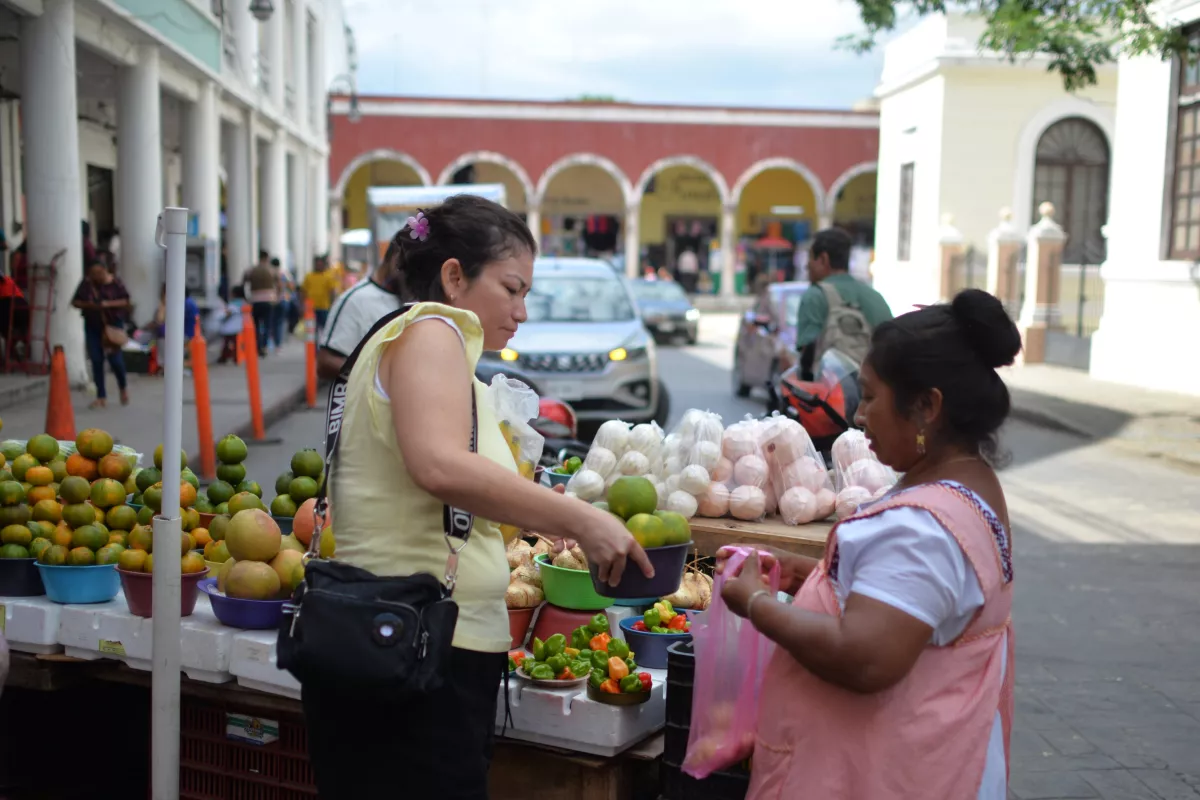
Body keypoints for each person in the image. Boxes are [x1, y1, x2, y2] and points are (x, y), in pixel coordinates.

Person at [303, 195, 654, 798]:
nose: (521, 312)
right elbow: (438, 465)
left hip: (413, 644)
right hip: (416, 651)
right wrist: (580, 519)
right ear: (454, 276)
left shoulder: (419, 345)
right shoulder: (434, 331)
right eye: (512, 289)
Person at [717, 288, 1021, 800]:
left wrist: (757, 604)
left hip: (885, 775)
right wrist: (811, 575)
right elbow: (915, 607)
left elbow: (864, 658)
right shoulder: (971, 481)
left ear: (927, 406)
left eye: (873, 397)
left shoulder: (921, 529)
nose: (859, 416)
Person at [796, 227, 893, 380]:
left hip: (830, 395)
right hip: (871, 394)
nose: (806, 266)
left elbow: (807, 356)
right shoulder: (875, 297)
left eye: (810, 258)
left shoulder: (815, 295)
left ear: (823, 259)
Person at [317, 247, 404, 380]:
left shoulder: (422, 299)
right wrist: (377, 379)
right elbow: (325, 362)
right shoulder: (357, 299)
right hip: (319, 308)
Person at [72, 262, 131, 408]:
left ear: (104, 271)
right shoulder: (87, 284)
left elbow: (126, 300)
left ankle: (122, 387)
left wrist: (107, 304)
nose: (95, 277)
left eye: (98, 273)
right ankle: (101, 396)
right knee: (96, 360)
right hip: (92, 326)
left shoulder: (115, 283)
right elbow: (75, 301)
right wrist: (89, 305)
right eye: (93, 274)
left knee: (115, 360)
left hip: (112, 325)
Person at [244, 250, 277, 357]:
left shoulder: (252, 270)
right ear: (267, 258)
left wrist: (247, 297)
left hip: (255, 300)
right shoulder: (271, 270)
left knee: (256, 325)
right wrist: (276, 296)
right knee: (267, 325)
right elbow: (279, 284)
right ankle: (264, 346)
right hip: (268, 300)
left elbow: (244, 281)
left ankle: (257, 346)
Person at [300, 255, 339, 333]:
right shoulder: (309, 276)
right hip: (310, 308)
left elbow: (332, 292)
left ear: (323, 265)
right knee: (311, 331)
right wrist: (302, 305)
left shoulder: (328, 276)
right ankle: (312, 345)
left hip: (324, 307)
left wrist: (333, 305)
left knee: (325, 330)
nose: (318, 266)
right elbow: (303, 291)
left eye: (320, 264)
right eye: (317, 264)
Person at [216, 286, 246, 364]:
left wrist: (220, 317)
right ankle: (236, 357)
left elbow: (227, 313)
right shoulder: (244, 303)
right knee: (236, 344)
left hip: (230, 328)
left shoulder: (233, 304)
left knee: (226, 344)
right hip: (239, 327)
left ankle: (224, 358)